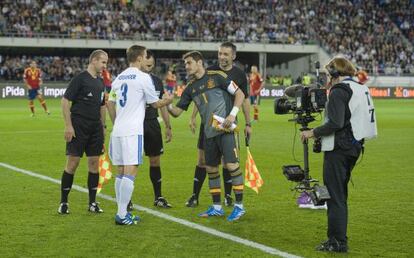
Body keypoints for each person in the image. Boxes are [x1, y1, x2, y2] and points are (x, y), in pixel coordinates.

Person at [300, 57, 377, 252]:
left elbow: (335, 123)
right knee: (339, 195)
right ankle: (338, 239)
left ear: (335, 74)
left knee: (335, 197)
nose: (326, 77)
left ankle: (337, 241)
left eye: (328, 74)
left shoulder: (339, 91)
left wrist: (312, 132)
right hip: (354, 146)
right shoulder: (360, 87)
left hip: (339, 148)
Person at [167, 51, 246, 221]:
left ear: (199, 62)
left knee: (232, 166)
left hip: (226, 130)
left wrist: (232, 114)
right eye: (185, 63)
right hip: (208, 133)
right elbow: (176, 112)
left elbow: (240, 94)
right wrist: (167, 104)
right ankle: (217, 207)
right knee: (211, 169)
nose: (186, 66)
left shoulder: (218, 76)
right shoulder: (190, 88)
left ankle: (239, 207)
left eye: (188, 63)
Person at [106, 45, 173, 226]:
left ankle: (122, 212)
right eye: (144, 57)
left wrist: (116, 122)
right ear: (139, 58)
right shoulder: (143, 78)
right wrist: (168, 100)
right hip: (132, 131)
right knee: (131, 171)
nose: (145, 60)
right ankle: (121, 214)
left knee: (120, 172)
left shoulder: (118, 78)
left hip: (118, 131)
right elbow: (155, 103)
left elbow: (110, 103)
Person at [186, 42, 251, 208]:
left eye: (226, 54)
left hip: (227, 124)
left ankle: (228, 197)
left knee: (227, 161)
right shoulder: (210, 71)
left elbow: (244, 98)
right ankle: (195, 195)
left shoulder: (239, 74)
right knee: (203, 161)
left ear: (233, 56)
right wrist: (193, 117)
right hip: (207, 124)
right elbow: (199, 95)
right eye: (220, 53)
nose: (222, 57)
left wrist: (248, 123)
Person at [58, 50, 108, 215]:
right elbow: (65, 101)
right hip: (78, 126)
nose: (105, 65)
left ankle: (92, 203)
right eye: (103, 62)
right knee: (73, 163)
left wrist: (103, 126)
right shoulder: (80, 79)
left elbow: (102, 105)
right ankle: (64, 203)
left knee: (94, 163)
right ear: (94, 60)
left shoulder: (101, 82)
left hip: (95, 128)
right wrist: (68, 126)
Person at [128, 50, 173, 210]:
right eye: (147, 64)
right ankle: (127, 199)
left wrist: (167, 126)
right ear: (140, 61)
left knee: (155, 161)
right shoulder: (131, 79)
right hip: (136, 124)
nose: (150, 67)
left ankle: (158, 197)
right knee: (133, 163)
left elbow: (163, 106)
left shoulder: (156, 81)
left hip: (152, 124)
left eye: (152, 65)